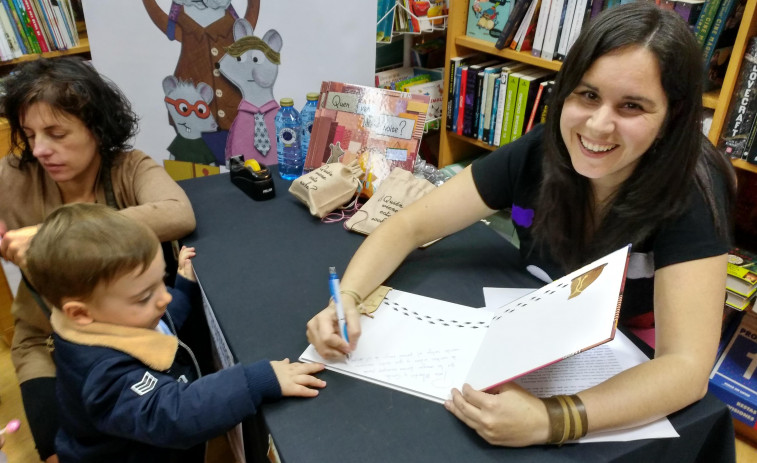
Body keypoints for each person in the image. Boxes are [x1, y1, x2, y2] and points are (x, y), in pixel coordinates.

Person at [306, 2, 736, 447]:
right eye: (587, 95)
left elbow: (685, 368)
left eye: (632, 106)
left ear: (672, 117)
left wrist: (553, 420)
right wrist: (349, 299)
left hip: (627, 346)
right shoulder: (541, 150)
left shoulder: (692, 192)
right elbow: (410, 225)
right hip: (542, 323)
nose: (599, 125)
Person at [0, 56, 197, 462]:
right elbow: (36, 338)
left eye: (56, 133)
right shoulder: (15, 176)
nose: (39, 150)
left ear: (96, 127)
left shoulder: (128, 168)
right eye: (30, 134)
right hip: (47, 341)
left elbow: (178, 212)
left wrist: (60, 237)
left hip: (128, 339)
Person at [24, 203, 325, 462]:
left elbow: (162, 323)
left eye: (160, 281)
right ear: (81, 313)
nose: (162, 297)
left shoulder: (112, 318)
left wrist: (182, 286)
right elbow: (175, 414)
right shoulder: (103, 375)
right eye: (144, 296)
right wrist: (257, 380)